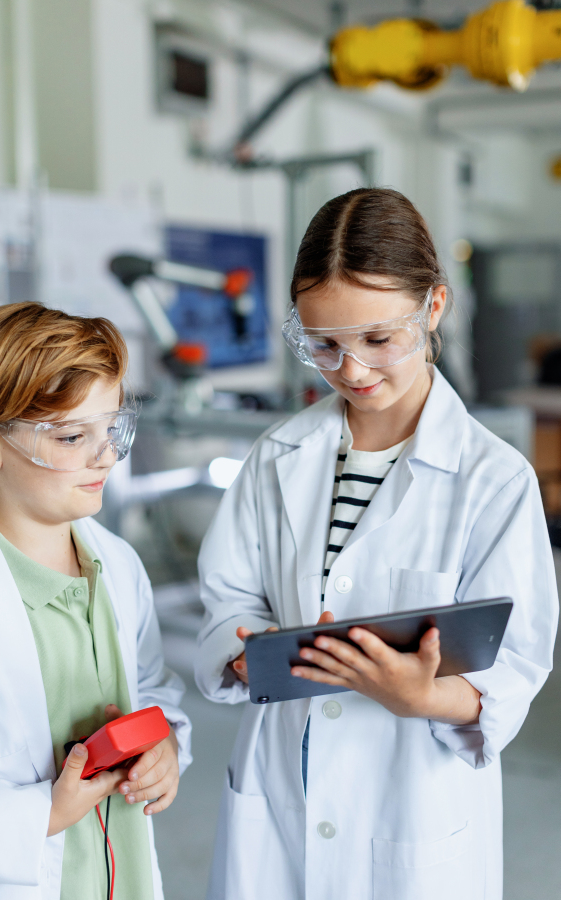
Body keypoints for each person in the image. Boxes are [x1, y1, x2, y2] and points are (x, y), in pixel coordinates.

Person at [195, 188, 558, 900]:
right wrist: (243, 651)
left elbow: (515, 664)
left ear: (434, 308)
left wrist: (424, 696)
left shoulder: (492, 479)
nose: (353, 371)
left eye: (378, 340)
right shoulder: (279, 457)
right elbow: (228, 593)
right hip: (280, 792)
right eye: (324, 345)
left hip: (413, 810)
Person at [0, 302, 192, 899]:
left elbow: (152, 689)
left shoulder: (116, 563)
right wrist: (46, 810)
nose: (107, 457)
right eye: (72, 436)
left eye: (112, 430)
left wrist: (165, 743)